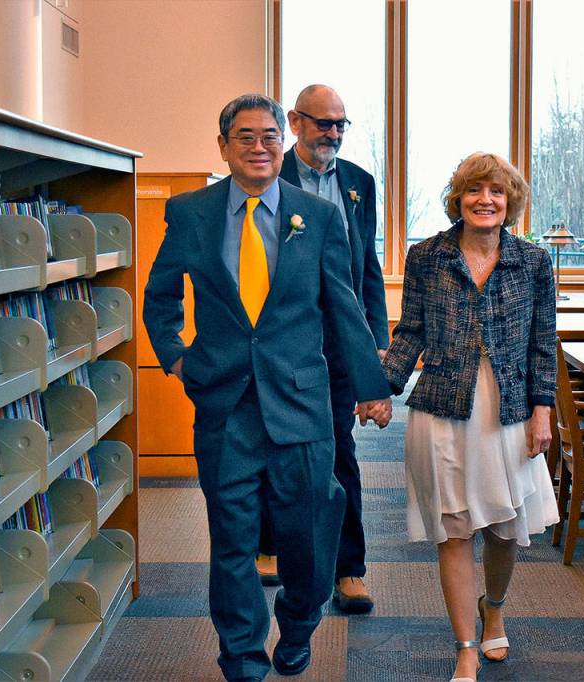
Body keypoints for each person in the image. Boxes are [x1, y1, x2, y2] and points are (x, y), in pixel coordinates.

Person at [142, 93, 393, 682]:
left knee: (308, 535)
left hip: (302, 406)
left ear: (285, 142)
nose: (260, 147)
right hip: (225, 406)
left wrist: (370, 386)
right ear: (224, 147)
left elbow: (343, 306)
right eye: (246, 137)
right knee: (231, 541)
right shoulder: (190, 213)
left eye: (270, 136)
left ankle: (300, 623)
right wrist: (177, 358)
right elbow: (159, 297)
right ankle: (242, 658)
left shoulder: (320, 215)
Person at [382, 153, 559, 682]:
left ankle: (495, 606)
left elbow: (542, 344)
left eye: (497, 192)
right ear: (457, 199)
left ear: (511, 202)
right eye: (474, 190)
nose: (486, 200)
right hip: (442, 405)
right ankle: (464, 645)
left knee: (506, 528)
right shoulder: (427, 256)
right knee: (454, 529)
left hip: (509, 410)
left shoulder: (532, 262)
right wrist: (378, 389)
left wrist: (543, 412)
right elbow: (410, 332)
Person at [256, 84, 388, 614]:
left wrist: (375, 348)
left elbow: (368, 271)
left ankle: (349, 570)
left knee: (339, 455)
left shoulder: (359, 184)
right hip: (282, 346)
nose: (333, 134)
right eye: (323, 123)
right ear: (295, 121)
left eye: (341, 124)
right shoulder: (269, 175)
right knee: (278, 452)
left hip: (338, 345)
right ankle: (276, 551)